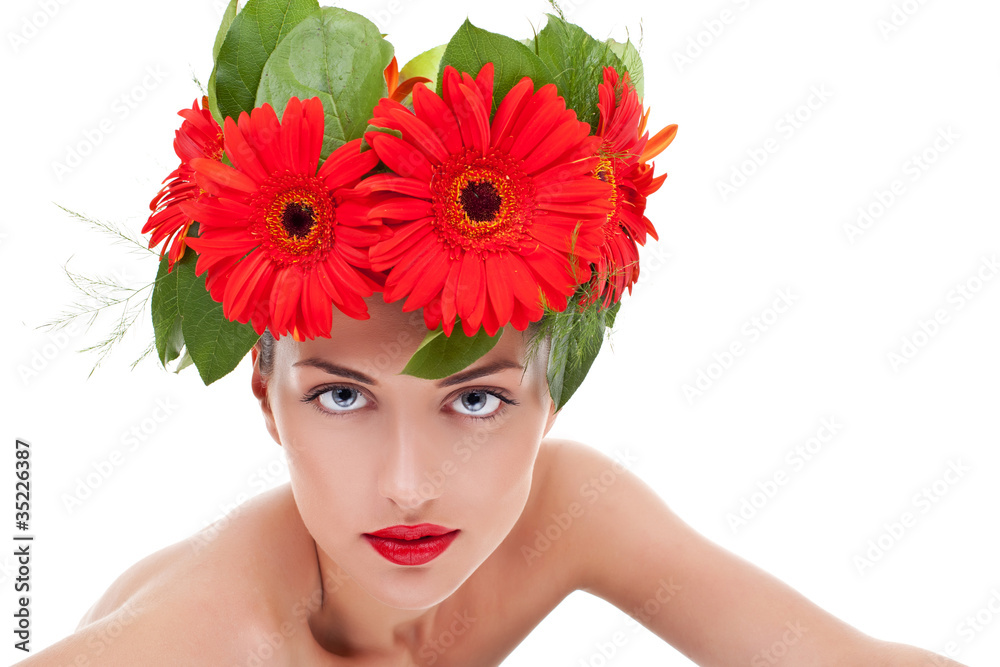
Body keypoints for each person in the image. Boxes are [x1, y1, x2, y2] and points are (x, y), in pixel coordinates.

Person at [10, 2, 981, 666]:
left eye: (475, 400)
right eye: (341, 395)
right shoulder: (210, 636)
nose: (407, 484)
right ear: (265, 394)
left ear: (553, 392)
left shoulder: (568, 508)